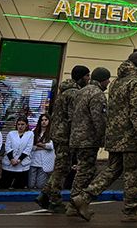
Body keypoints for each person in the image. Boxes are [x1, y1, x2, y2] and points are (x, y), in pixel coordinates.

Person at [71, 52, 137, 222]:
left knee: (112, 170)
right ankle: (130, 211)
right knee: (133, 173)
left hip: (115, 136)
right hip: (130, 137)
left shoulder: (117, 82)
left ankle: (84, 197)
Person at [37, 65, 88, 212]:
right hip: (66, 136)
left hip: (58, 134)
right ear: (80, 77)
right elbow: (74, 118)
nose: (88, 79)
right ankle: (55, 200)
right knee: (62, 168)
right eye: (86, 76)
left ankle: (44, 195)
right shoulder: (74, 94)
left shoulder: (64, 92)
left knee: (61, 166)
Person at [68, 66, 110, 203]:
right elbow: (99, 120)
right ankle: (75, 202)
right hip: (88, 139)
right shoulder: (97, 94)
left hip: (77, 137)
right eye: (107, 80)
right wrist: (103, 138)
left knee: (83, 170)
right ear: (102, 80)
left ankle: (75, 200)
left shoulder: (81, 91)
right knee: (86, 171)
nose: (108, 83)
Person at [0, 117, 33, 189]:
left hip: (22, 164)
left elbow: (28, 148)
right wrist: (12, 159)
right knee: (4, 185)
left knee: (19, 186)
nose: (20, 126)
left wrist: (19, 160)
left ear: (26, 125)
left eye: (22, 124)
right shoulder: (11, 134)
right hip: (9, 162)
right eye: (19, 124)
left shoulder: (30, 134)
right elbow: (8, 147)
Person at [28, 115, 54, 190]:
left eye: (46, 120)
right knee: (31, 185)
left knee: (40, 185)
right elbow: (30, 147)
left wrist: (39, 145)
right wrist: (43, 146)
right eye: (42, 120)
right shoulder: (33, 132)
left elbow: (51, 146)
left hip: (44, 162)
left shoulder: (51, 132)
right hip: (33, 160)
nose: (44, 122)